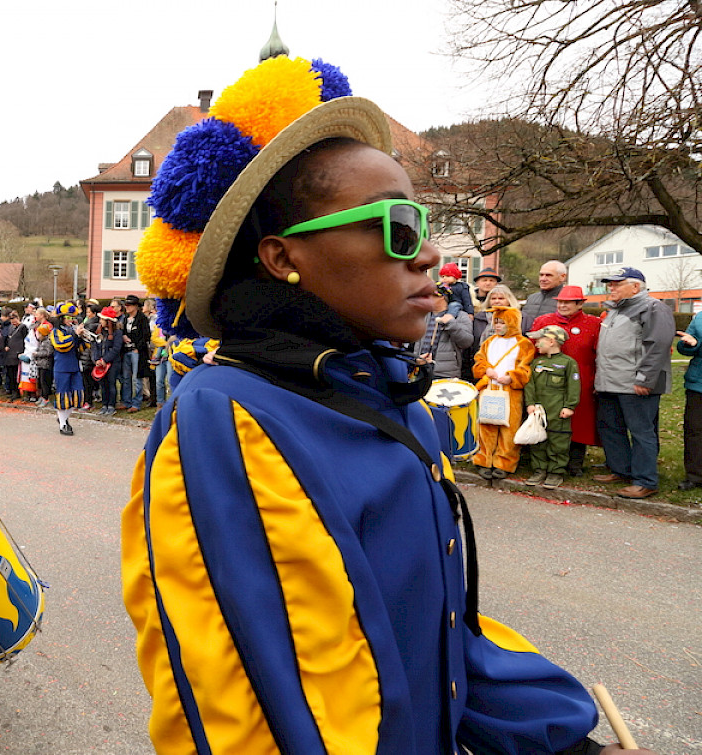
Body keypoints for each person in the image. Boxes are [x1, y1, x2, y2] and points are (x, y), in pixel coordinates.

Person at [121, 55, 642, 754]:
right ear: (282, 258)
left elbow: (440, 639)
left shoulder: (392, 398)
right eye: (398, 225)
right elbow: (272, 717)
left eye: (423, 223)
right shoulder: (228, 418)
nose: (429, 255)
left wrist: (565, 743)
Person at [592, 267, 675, 499]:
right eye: (610, 284)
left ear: (636, 286)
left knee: (641, 432)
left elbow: (658, 345)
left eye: (617, 284)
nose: (611, 288)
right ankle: (621, 470)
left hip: (635, 384)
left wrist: (645, 379)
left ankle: (645, 481)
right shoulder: (615, 310)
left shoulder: (653, 308)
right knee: (611, 428)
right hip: (610, 382)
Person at [531, 285, 602, 476]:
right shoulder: (543, 321)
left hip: (581, 380)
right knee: (548, 419)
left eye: (568, 302)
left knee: (579, 421)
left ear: (580, 304)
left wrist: (598, 379)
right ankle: (543, 461)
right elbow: (531, 349)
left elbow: (601, 354)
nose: (562, 305)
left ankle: (575, 462)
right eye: (560, 302)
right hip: (547, 381)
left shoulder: (593, 324)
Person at [472, 307, 536, 479]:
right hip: (489, 388)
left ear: (512, 323)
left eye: (502, 322)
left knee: (509, 428)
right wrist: (486, 370)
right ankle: (483, 459)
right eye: (496, 322)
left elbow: (526, 368)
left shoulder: (524, 344)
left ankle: (504, 462)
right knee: (486, 425)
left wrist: (512, 377)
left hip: (510, 392)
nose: (498, 326)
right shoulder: (489, 342)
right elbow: (479, 360)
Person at [523, 325, 580, 489]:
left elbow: (573, 387)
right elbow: (530, 385)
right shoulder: (537, 363)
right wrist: (530, 404)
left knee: (558, 442)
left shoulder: (568, 363)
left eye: (539, 340)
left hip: (558, 410)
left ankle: (556, 472)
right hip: (539, 411)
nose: (536, 344)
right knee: (538, 441)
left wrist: (569, 406)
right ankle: (539, 469)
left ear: (551, 341)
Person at [414, 286, 474, 379]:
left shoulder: (461, 316)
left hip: (446, 374)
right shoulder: (422, 315)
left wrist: (451, 324)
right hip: (421, 371)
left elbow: (467, 342)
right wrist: (416, 360)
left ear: (441, 297)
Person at [49, 302, 85, 435]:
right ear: (62, 318)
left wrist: (82, 338)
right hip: (62, 367)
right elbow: (61, 345)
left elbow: (82, 349)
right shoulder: (55, 332)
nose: (71, 320)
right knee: (63, 397)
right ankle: (63, 424)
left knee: (77, 395)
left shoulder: (72, 330)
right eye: (68, 317)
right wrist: (75, 335)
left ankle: (63, 418)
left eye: (72, 318)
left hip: (74, 366)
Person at [676, 310, 702, 490]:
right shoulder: (700, 318)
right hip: (698, 384)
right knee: (694, 430)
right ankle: (695, 475)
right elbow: (683, 346)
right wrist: (689, 344)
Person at [118, 294, 149, 412]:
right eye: (126, 305)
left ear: (136, 306)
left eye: (129, 305)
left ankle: (136, 403)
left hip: (137, 352)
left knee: (137, 378)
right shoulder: (125, 318)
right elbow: (123, 332)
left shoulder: (142, 318)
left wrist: (137, 348)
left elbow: (146, 336)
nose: (127, 307)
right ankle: (126, 401)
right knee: (126, 377)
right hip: (126, 351)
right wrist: (123, 336)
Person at [90, 306, 122, 416]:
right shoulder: (100, 331)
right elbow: (95, 346)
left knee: (111, 383)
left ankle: (111, 405)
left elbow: (116, 349)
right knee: (103, 385)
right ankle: (104, 404)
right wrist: (97, 359)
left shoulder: (117, 333)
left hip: (113, 363)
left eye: (102, 319)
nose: (100, 321)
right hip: (101, 363)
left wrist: (105, 359)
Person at [521, 260, 568, 332]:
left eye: (548, 275)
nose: (543, 279)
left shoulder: (567, 301)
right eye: (541, 275)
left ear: (562, 277)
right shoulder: (531, 298)